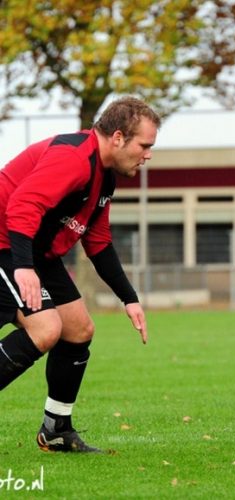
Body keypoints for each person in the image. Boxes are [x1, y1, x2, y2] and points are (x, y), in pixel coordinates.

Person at [0, 96, 161, 452]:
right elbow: (23, 205)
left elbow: (98, 241)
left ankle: (56, 429)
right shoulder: (75, 158)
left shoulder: (104, 178)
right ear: (117, 137)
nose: (148, 154)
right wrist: (24, 267)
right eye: (145, 145)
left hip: (31, 249)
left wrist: (129, 298)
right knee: (46, 328)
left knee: (79, 329)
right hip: (6, 240)